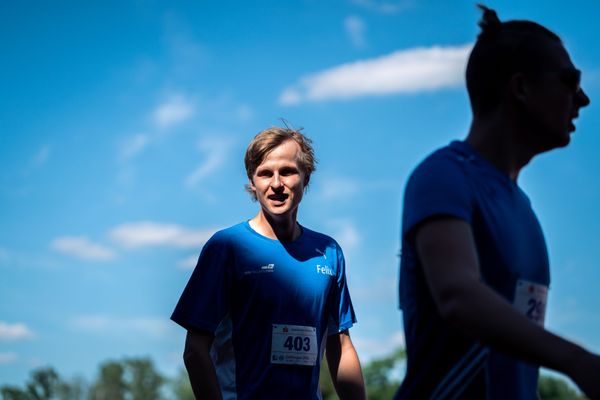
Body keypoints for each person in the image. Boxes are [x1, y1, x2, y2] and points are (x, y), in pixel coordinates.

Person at [395, 5, 600, 400]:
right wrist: (580, 362)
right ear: (520, 88)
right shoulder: (443, 176)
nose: (583, 99)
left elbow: (514, 363)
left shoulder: (524, 208)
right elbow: (458, 296)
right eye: (569, 81)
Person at [171, 126, 366, 400]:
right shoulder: (226, 248)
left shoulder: (329, 252)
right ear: (252, 181)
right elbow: (195, 350)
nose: (276, 183)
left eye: (287, 171)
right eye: (265, 173)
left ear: (306, 178)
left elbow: (341, 346)